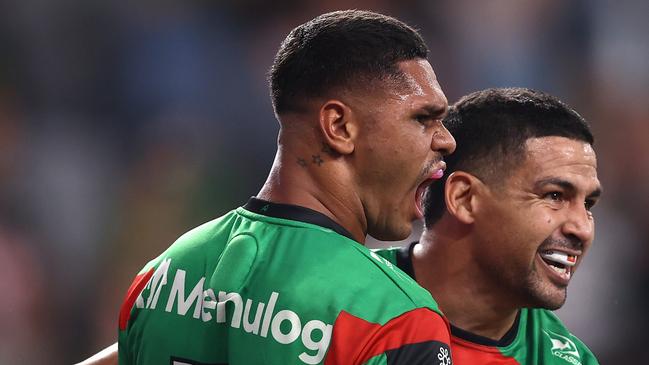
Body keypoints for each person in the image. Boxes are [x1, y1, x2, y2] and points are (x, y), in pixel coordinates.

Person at [100, 10, 457, 365]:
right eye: (423, 118)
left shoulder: (161, 277)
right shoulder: (393, 320)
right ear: (339, 126)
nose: (446, 140)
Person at [375, 88, 601, 364]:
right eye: (554, 196)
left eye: (588, 204)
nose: (582, 229)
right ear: (465, 198)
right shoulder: (341, 303)